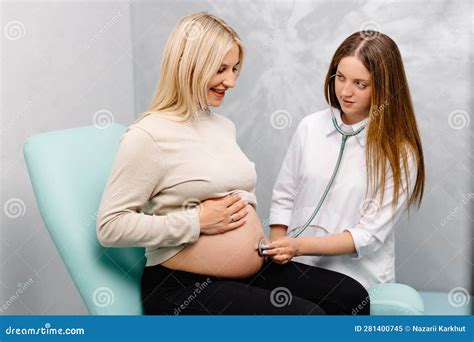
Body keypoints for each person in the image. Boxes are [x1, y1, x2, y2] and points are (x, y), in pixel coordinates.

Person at [96, 12, 368, 315]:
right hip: (181, 287)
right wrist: (196, 221)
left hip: (250, 271)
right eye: (221, 69)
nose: (232, 81)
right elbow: (110, 227)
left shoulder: (222, 126)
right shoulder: (148, 135)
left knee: (352, 298)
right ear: (189, 64)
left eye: (235, 69)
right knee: (307, 318)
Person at [261, 31, 425, 303]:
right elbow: (284, 196)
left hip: (354, 280)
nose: (345, 92)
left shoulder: (399, 153)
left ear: (384, 88)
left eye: (361, 84)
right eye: (340, 78)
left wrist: (298, 246)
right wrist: (278, 252)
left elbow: (368, 236)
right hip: (295, 267)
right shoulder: (310, 127)